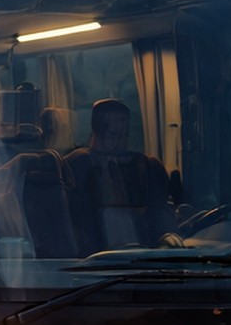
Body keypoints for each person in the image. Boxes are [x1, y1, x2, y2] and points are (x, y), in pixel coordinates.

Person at [64, 98, 176, 251]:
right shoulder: (77, 164)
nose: (117, 127)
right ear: (96, 125)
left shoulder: (148, 166)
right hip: (91, 259)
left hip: (144, 257)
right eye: (108, 122)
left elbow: (159, 210)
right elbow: (71, 217)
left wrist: (166, 235)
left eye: (122, 121)